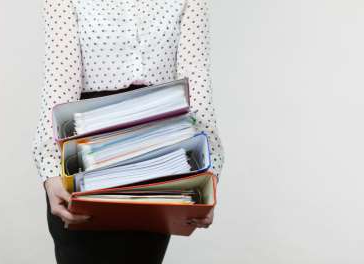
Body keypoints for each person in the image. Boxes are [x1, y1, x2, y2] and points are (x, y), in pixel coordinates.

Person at [31, 0, 225, 263]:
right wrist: (51, 172)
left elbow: (197, 85)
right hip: (84, 162)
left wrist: (208, 174)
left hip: (155, 165)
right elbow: (58, 84)